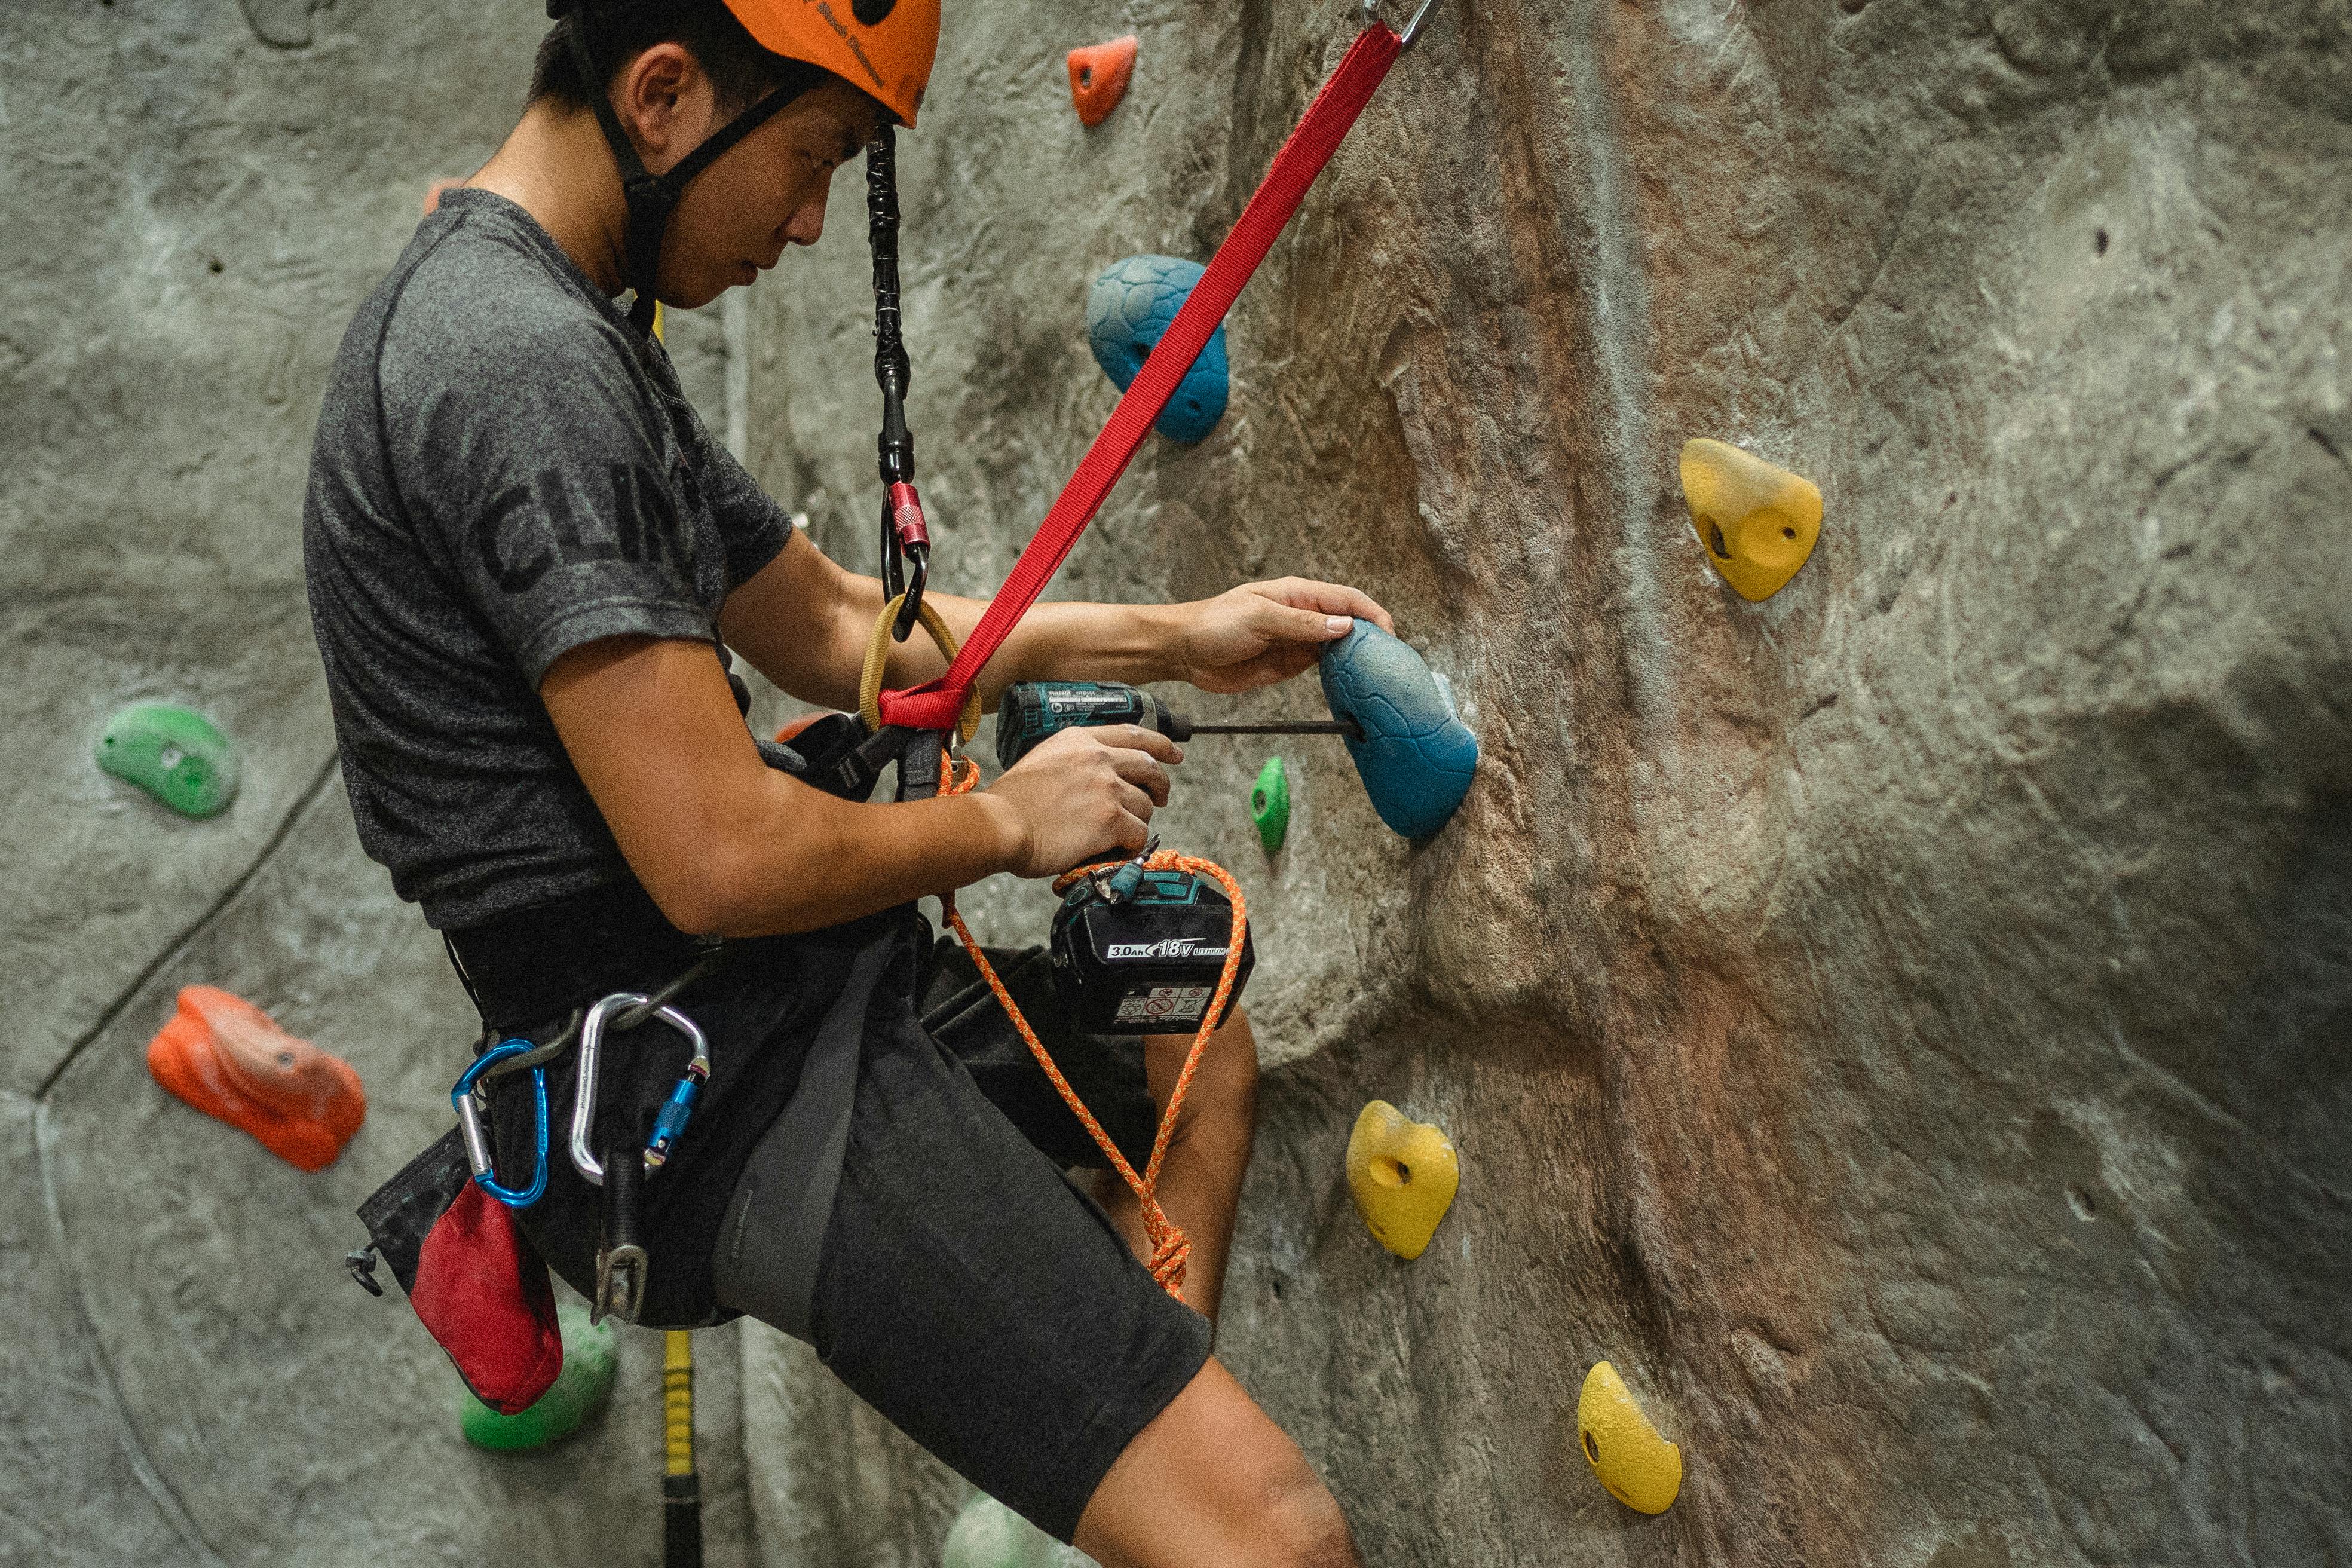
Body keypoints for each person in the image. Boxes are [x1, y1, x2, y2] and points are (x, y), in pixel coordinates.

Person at [303, 3, 1388, 1564]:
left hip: (764, 1008)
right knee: (1282, 1540)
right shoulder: (521, 369)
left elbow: (823, 625)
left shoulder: (553, 330)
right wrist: (1009, 824)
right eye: (810, 160)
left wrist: (1182, 633)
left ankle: (1146, 1493)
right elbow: (719, 858)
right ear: (662, 95)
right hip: (719, 1092)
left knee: (1189, 1050)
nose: (810, 222)